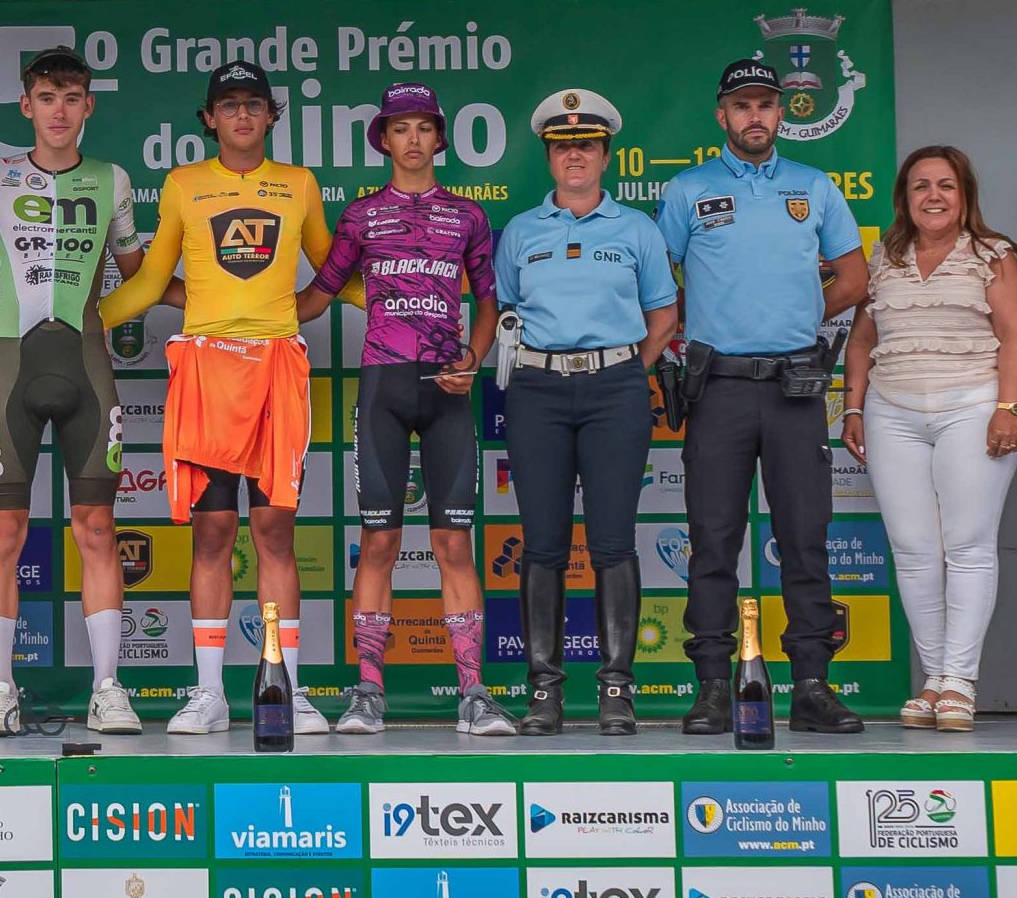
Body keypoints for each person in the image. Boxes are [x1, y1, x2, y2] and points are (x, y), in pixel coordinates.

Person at [101, 60, 335, 735]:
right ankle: (209, 692)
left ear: (271, 115)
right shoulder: (184, 184)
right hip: (206, 369)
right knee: (212, 532)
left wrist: (413, 302)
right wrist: (82, 324)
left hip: (276, 369)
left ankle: (285, 687)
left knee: (275, 532)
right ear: (209, 118)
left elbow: (333, 273)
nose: (241, 115)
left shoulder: (299, 183)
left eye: (253, 104)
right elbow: (151, 283)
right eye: (228, 104)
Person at [659, 59, 870, 736]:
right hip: (717, 386)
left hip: (794, 386)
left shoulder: (815, 186)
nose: (755, 115)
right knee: (712, 539)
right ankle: (713, 688)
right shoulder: (688, 189)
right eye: (743, 105)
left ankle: (811, 685)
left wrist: (803, 312)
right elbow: (657, 283)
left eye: (766, 104)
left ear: (782, 114)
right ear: (722, 115)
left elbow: (855, 276)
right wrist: (697, 316)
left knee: (805, 537)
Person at [296, 82, 503, 737]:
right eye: (400, 128)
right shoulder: (361, 216)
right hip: (383, 387)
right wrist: (232, 311)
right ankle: (368, 693)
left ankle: (473, 694)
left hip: (447, 389)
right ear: (383, 139)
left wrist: (473, 357)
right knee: (379, 541)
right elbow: (318, 295)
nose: (412, 139)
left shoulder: (467, 217)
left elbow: (490, 302)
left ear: (439, 138)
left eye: (423, 127)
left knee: (454, 543)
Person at [0, 46, 152, 736]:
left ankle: (108, 687)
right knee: (1, 530)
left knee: (98, 528)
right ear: (26, 105)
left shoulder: (112, 178)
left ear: (88, 106)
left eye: (72, 98)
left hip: (86, 361)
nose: (59, 110)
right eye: (47, 97)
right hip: (10, 363)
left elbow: (138, 271)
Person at [494, 90, 681, 736]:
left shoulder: (638, 229)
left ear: (606, 155)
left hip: (616, 389)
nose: (574, 155)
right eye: (562, 146)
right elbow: (505, 311)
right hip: (537, 390)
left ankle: (616, 689)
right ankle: (544, 690)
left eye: (587, 145)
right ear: (549, 157)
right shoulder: (521, 231)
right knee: (542, 542)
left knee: (612, 540)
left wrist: (625, 367)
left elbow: (664, 315)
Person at [841, 146, 1017, 734]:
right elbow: (860, 341)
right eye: (920, 185)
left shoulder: (994, 255)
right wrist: (853, 406)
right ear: (905, 198)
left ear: (965, 194)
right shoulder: (884, 257)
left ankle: (960, 682)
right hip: (891, 411)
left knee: (968, 547)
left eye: (946, 185)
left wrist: (1008, 408)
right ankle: (932, 680)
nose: (933, 196)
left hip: (972, 406)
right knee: (914, 550)